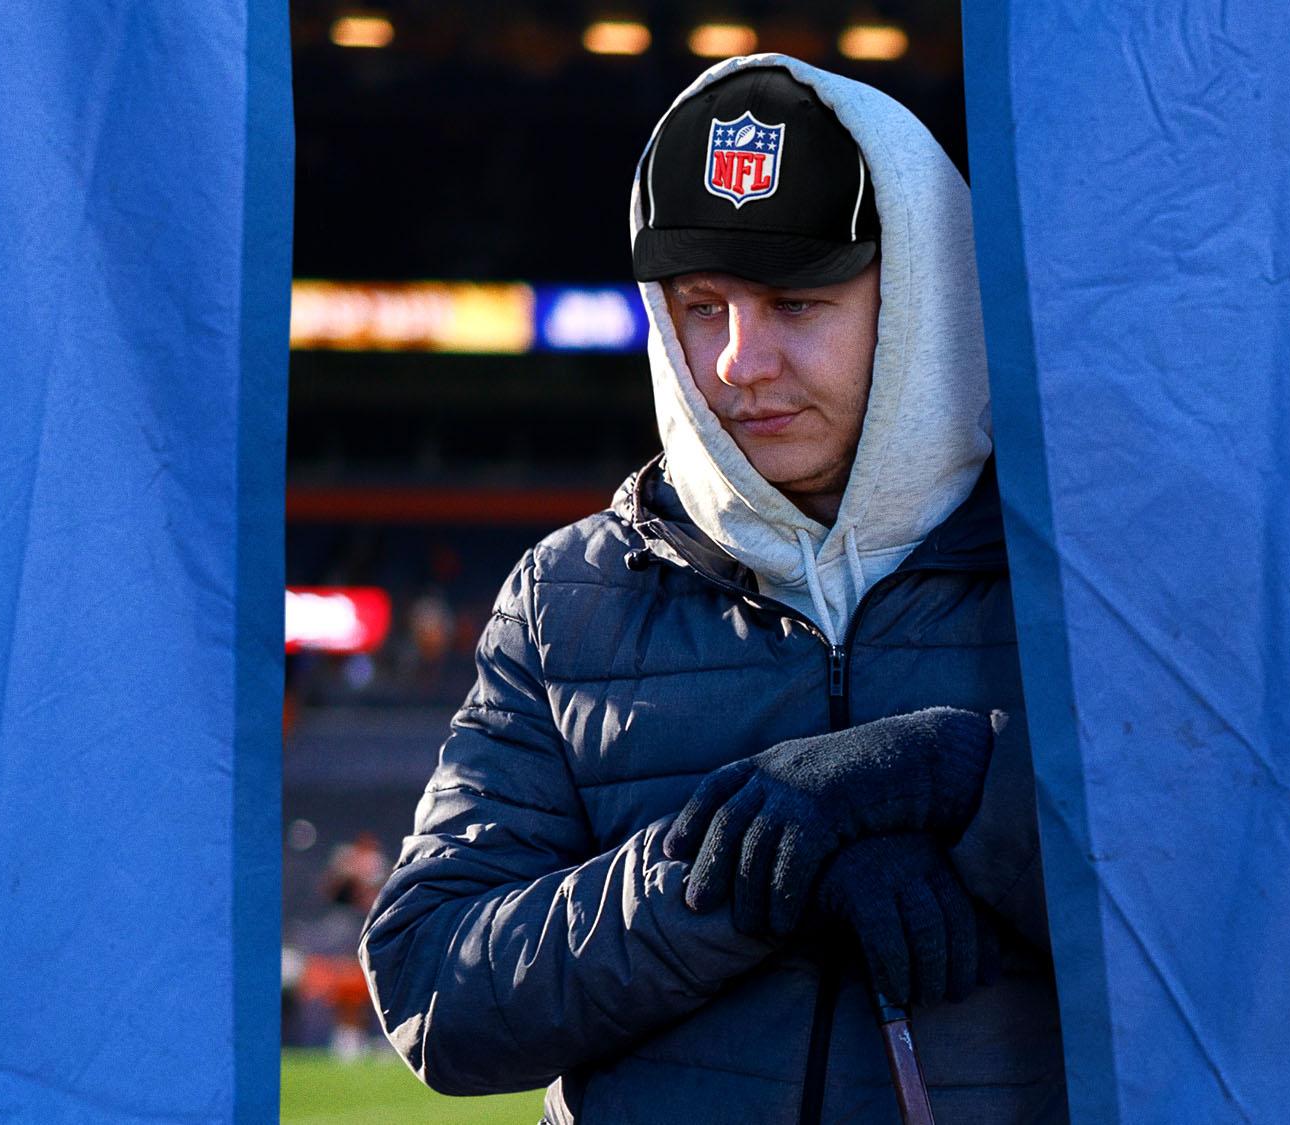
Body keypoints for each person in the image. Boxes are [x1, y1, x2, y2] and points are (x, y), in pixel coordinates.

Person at [362, 55, 1066, 1123]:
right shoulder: (567, 597)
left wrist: (968, 778)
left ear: (926, 294)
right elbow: (432, 989)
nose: (738, 361)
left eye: (796, 301)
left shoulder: (1081, 575)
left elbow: (1242, 908)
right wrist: (737, 875)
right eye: (700, 306)